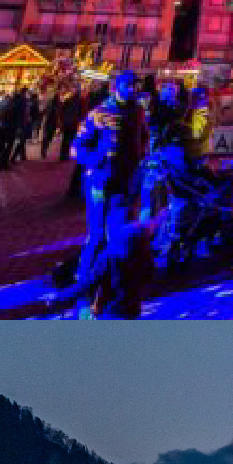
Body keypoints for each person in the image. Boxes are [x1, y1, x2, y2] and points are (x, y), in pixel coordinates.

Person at [64, 71, 151, 309]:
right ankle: (84, 279)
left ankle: (111, 279)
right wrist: (97, 161)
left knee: (118, 233)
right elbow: (77, 147)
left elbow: (143, 139)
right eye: (128, 85)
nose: (133, 89)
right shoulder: (100, 113)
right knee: (97, 234)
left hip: (125, 183)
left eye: (135, 85)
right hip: (101, 183)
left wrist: (142, 159)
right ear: (117, 87)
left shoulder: (139, 111)